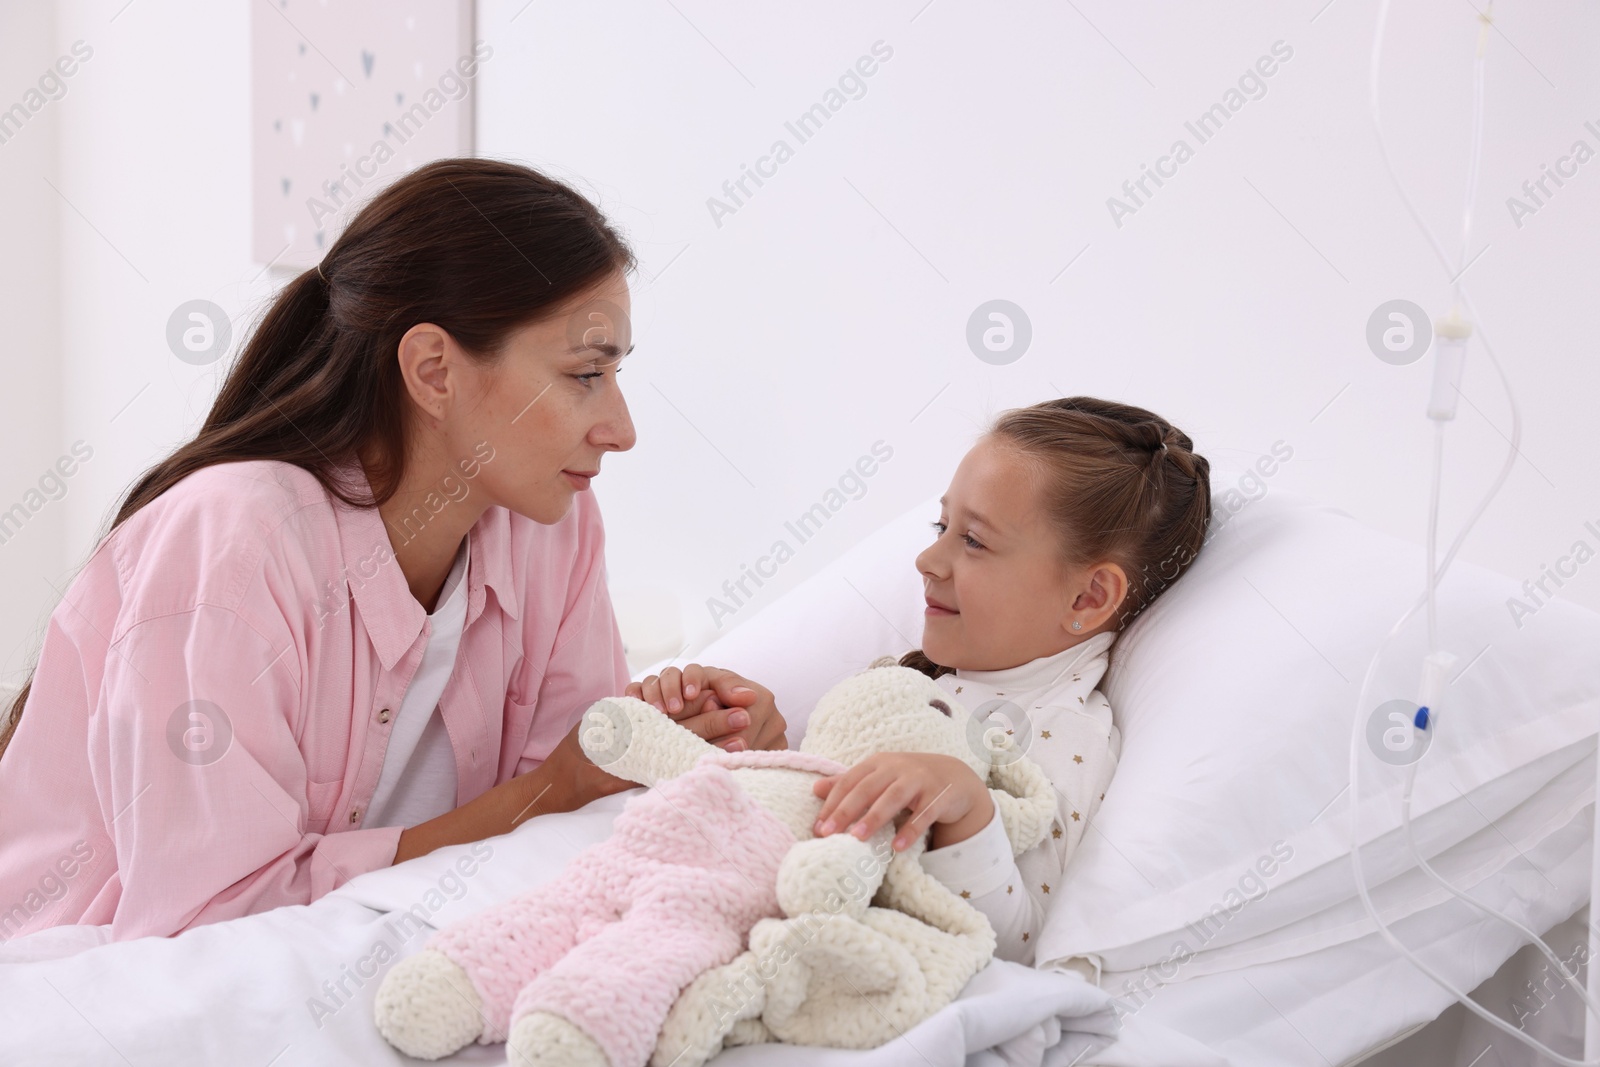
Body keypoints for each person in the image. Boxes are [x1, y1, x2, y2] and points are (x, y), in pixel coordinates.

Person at [0, 158, 785, 944]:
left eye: (614, 374)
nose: (621, 427)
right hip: (78, 979)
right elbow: (209, 921)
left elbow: (582, 812)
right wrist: (551, 791)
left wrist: (686, 746)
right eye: (584, 374)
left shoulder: (554, 522)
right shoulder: (232, 544)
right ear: (434, 371)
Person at [630, 396, 1211, 965]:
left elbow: (1019, 947)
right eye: (942, 524)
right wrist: (755, 750)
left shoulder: (1064, 734)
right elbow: (822, 819)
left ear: (1088, 596)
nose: (927, 559)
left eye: (974, 540)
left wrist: (967, 808)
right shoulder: (910, 685)